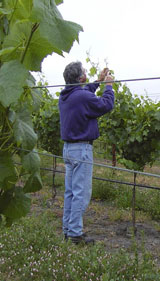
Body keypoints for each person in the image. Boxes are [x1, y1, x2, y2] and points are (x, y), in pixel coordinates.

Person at [58, 61, 114, 244]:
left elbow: (84, 93)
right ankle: (75, 234)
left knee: (71, 193)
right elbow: (105, 105)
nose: (86, 75)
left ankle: (68, 230)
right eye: (84, 73)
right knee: (81, 194)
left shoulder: (66, 95)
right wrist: (108, 87)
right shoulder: (80, 96)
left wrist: (97, 81)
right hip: (81, 150)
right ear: (81, 77)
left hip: (68, 150)